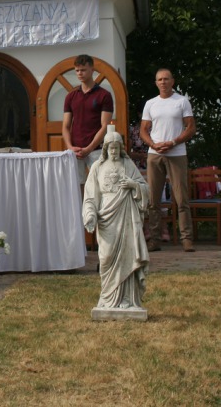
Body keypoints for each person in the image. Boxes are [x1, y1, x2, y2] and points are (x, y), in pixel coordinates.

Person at [82, 130, 150, 316]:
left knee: (128, 255)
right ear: (105, 149)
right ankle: (107, 298)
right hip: (106, 218)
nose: (113, 151)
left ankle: (128, 299)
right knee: (105, 258)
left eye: (116, 147)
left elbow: (145, 188)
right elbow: (90, 195)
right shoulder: (97, 166)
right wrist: (90, 214)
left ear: (121, 148)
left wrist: (133, 185)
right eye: (110, 148)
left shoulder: (128, 165)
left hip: (126, 215)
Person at [140, 68, 197, 253]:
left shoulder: (181, 101)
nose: (163, 82)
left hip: (177, 153)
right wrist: (153, 145)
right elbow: (143, 130)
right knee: (153, 200)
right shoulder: (151, 103)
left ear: (173, 81)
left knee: (181, 199)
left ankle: (186, 239)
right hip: (155, 154)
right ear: (156, 83)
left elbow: (190, 128)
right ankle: (154, 240)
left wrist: (173, 142)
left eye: (166, 79)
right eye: (159, 79)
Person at [62, 55, 114, 187]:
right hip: (74, 150)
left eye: (83, 70)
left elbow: (105, 126)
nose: (80, 73)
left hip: (96, 149)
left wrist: (89, 148)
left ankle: (98, 209)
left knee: (100, 186)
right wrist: (70, 147)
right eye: (77, 70)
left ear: (92, 70)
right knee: (76, 186)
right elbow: (66, 126)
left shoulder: (104, 95)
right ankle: (80, 209)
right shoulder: (71, 96)